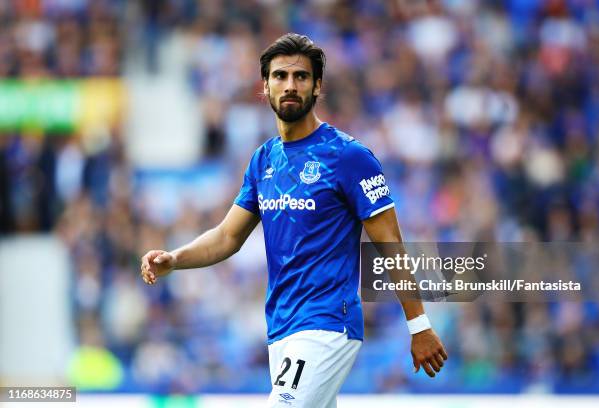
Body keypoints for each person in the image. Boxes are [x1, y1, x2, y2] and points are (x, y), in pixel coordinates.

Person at [141, 33, 447, 407]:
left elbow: (391, 245)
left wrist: (419, 326)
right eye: (280, 76)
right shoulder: (263, 160)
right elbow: (226, 237)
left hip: (328, 323)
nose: (290, 85)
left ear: (317, 86)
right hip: (282, 329)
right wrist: (176, 258)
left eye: (301, 77)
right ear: (265, 87)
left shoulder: (348, 157)